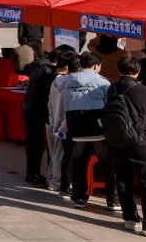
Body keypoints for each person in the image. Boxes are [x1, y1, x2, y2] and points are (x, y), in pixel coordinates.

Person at [106, 56, 146, 236]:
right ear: (138, 71)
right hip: (142, 141)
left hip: (118, 139)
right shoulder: (142, 90)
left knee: (123, 178)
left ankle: (130, 218)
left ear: (119, 69)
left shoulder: (112, 88)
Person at [62, 51, 112, 210]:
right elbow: (109, 105)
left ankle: (79, 197)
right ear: (96, 66)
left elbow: (61, 104)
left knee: (78, 162)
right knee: (106, 162)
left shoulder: (66, 81)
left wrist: (60, 125)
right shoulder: (103, 82)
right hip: (98, 128)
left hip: (75, 126)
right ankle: (113, 199)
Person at [22, 48, 59, 186]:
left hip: (31, 109)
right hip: (38, 111)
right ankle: (36, 175)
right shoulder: (48, 72)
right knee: (39, 144)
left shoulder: (40, 67)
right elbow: (46, 95)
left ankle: (32, 174)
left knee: (34, 144)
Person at [47, 49, 76, 194]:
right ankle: (56, 182)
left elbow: (50, 104)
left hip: (55, 122)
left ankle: (53, 181)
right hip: (64, 124)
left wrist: (53, 121)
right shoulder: (69, 82)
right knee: (61, 154)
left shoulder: (56, 81)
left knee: (55, 154)